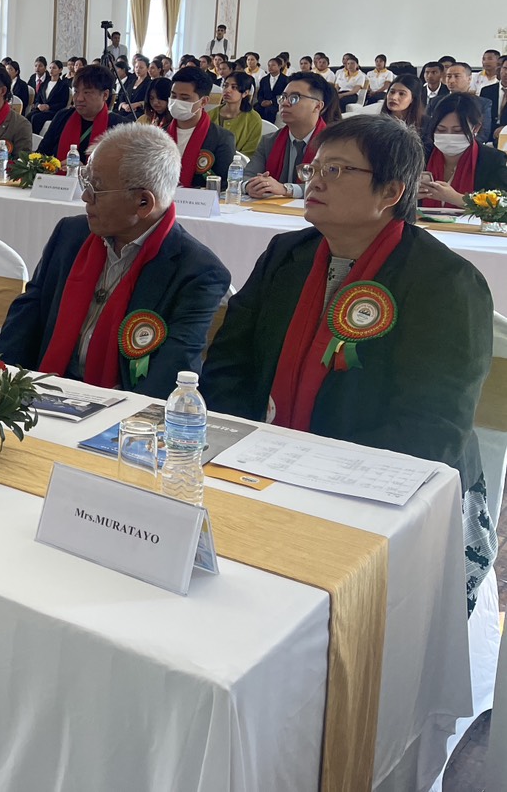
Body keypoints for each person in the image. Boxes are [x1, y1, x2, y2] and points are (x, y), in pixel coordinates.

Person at [202, 116, 496, 614]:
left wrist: (325, 485)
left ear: (391, 192)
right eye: (314, 167)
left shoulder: (445, 282)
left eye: (336, 170)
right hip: (262, 467)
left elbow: (433, 427)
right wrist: (241, 453)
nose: (315, 181)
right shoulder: (287, 254)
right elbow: (230, 362)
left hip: (377, 494)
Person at [0, 124, 229, 393]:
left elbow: (169, 377)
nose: (85, 196)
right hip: (45, 388)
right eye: (86, 181)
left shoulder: (197, 273)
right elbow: (24, 320)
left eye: (96, 188)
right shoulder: (70, 235)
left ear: (143, 203)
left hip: (122, 405)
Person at [244, 71, 334, 199]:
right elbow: (246, 176)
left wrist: (286, 189)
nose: (285, 103)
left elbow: (332, 185)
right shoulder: (269, 141)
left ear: (317, 106)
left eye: (294, 98)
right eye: (283, 97)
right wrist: (250, 186)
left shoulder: (334, 144)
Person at [419, 93, 507, 208]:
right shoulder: (421, 155)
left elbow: (502, 205)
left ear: (476, 128)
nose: (449, 136)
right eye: (441, 130)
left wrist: (459, 199)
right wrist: (409, 197)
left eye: (458, 131)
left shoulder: (492, 160)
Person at [36, 64, 133, 164]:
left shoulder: (121, 127)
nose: (79, 98)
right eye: (76, 91)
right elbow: (41, 154)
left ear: (105, 95)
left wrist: (84, 170)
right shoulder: (63, 117)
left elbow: (128, 169)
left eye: (87, 92)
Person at [164, 66, 236, 188]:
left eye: (185, 98)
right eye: (173, 96)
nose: (176, 102)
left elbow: (224, 185)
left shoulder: (222, 139)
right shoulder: (160, 135)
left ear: (203, 102)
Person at [215, 71, 264, 157]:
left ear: (245, 93)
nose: (227, 90)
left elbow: (250, 153)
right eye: (225, 86)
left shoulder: (253, 119)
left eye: (234, 87)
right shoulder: (210, 115)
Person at [443, 61, 492, 143]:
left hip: (471, 146)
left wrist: (465, 144)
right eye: (448, 76)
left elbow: (484, 133)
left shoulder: (482, 103)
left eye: (456, 76)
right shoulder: (436, 102)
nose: (451, 80)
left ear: (469, 79)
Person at [28, 57, 70, 134]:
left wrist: (49, 106)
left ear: (60, 70)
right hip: (42, 109)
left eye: (54, 68)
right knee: (28, 116)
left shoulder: (63, 85)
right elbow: (37, 99)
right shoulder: (44, 84)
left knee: (36, 118)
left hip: (54, 111)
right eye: (50, 68)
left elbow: (63, 103)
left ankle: (35, 137)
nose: (51, 70)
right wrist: (39, 105)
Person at [256, 56, 288, 123]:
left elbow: (285, 95)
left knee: (270, 110)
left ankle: (270, 128)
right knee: (256, 108)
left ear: (280, 66)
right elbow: (260, 94)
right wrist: (261, 101)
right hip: (264, 102)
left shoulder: (286, 80)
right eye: (269, 65)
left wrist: (271, 102)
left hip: (277, 103)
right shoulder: (264, 80)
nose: (270, 67)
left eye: (273, 65)